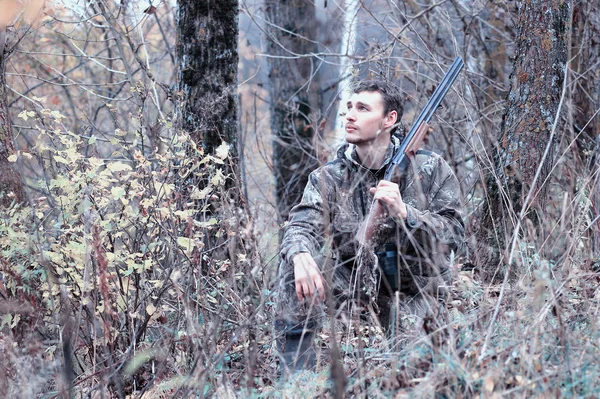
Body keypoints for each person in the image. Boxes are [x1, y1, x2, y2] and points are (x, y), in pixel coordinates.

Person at [275, 79, 464, 372]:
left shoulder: (429, 169)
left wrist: (406, 213)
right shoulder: (329, 177)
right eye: (349, 107)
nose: (350, 115)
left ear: (390, 119)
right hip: (351, 286)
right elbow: (301, 224)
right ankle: (296, 380)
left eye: (362, 108)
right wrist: (301, 255)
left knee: (416, 370)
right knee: (293, 266)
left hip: (411, 288)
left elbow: (455, 235)